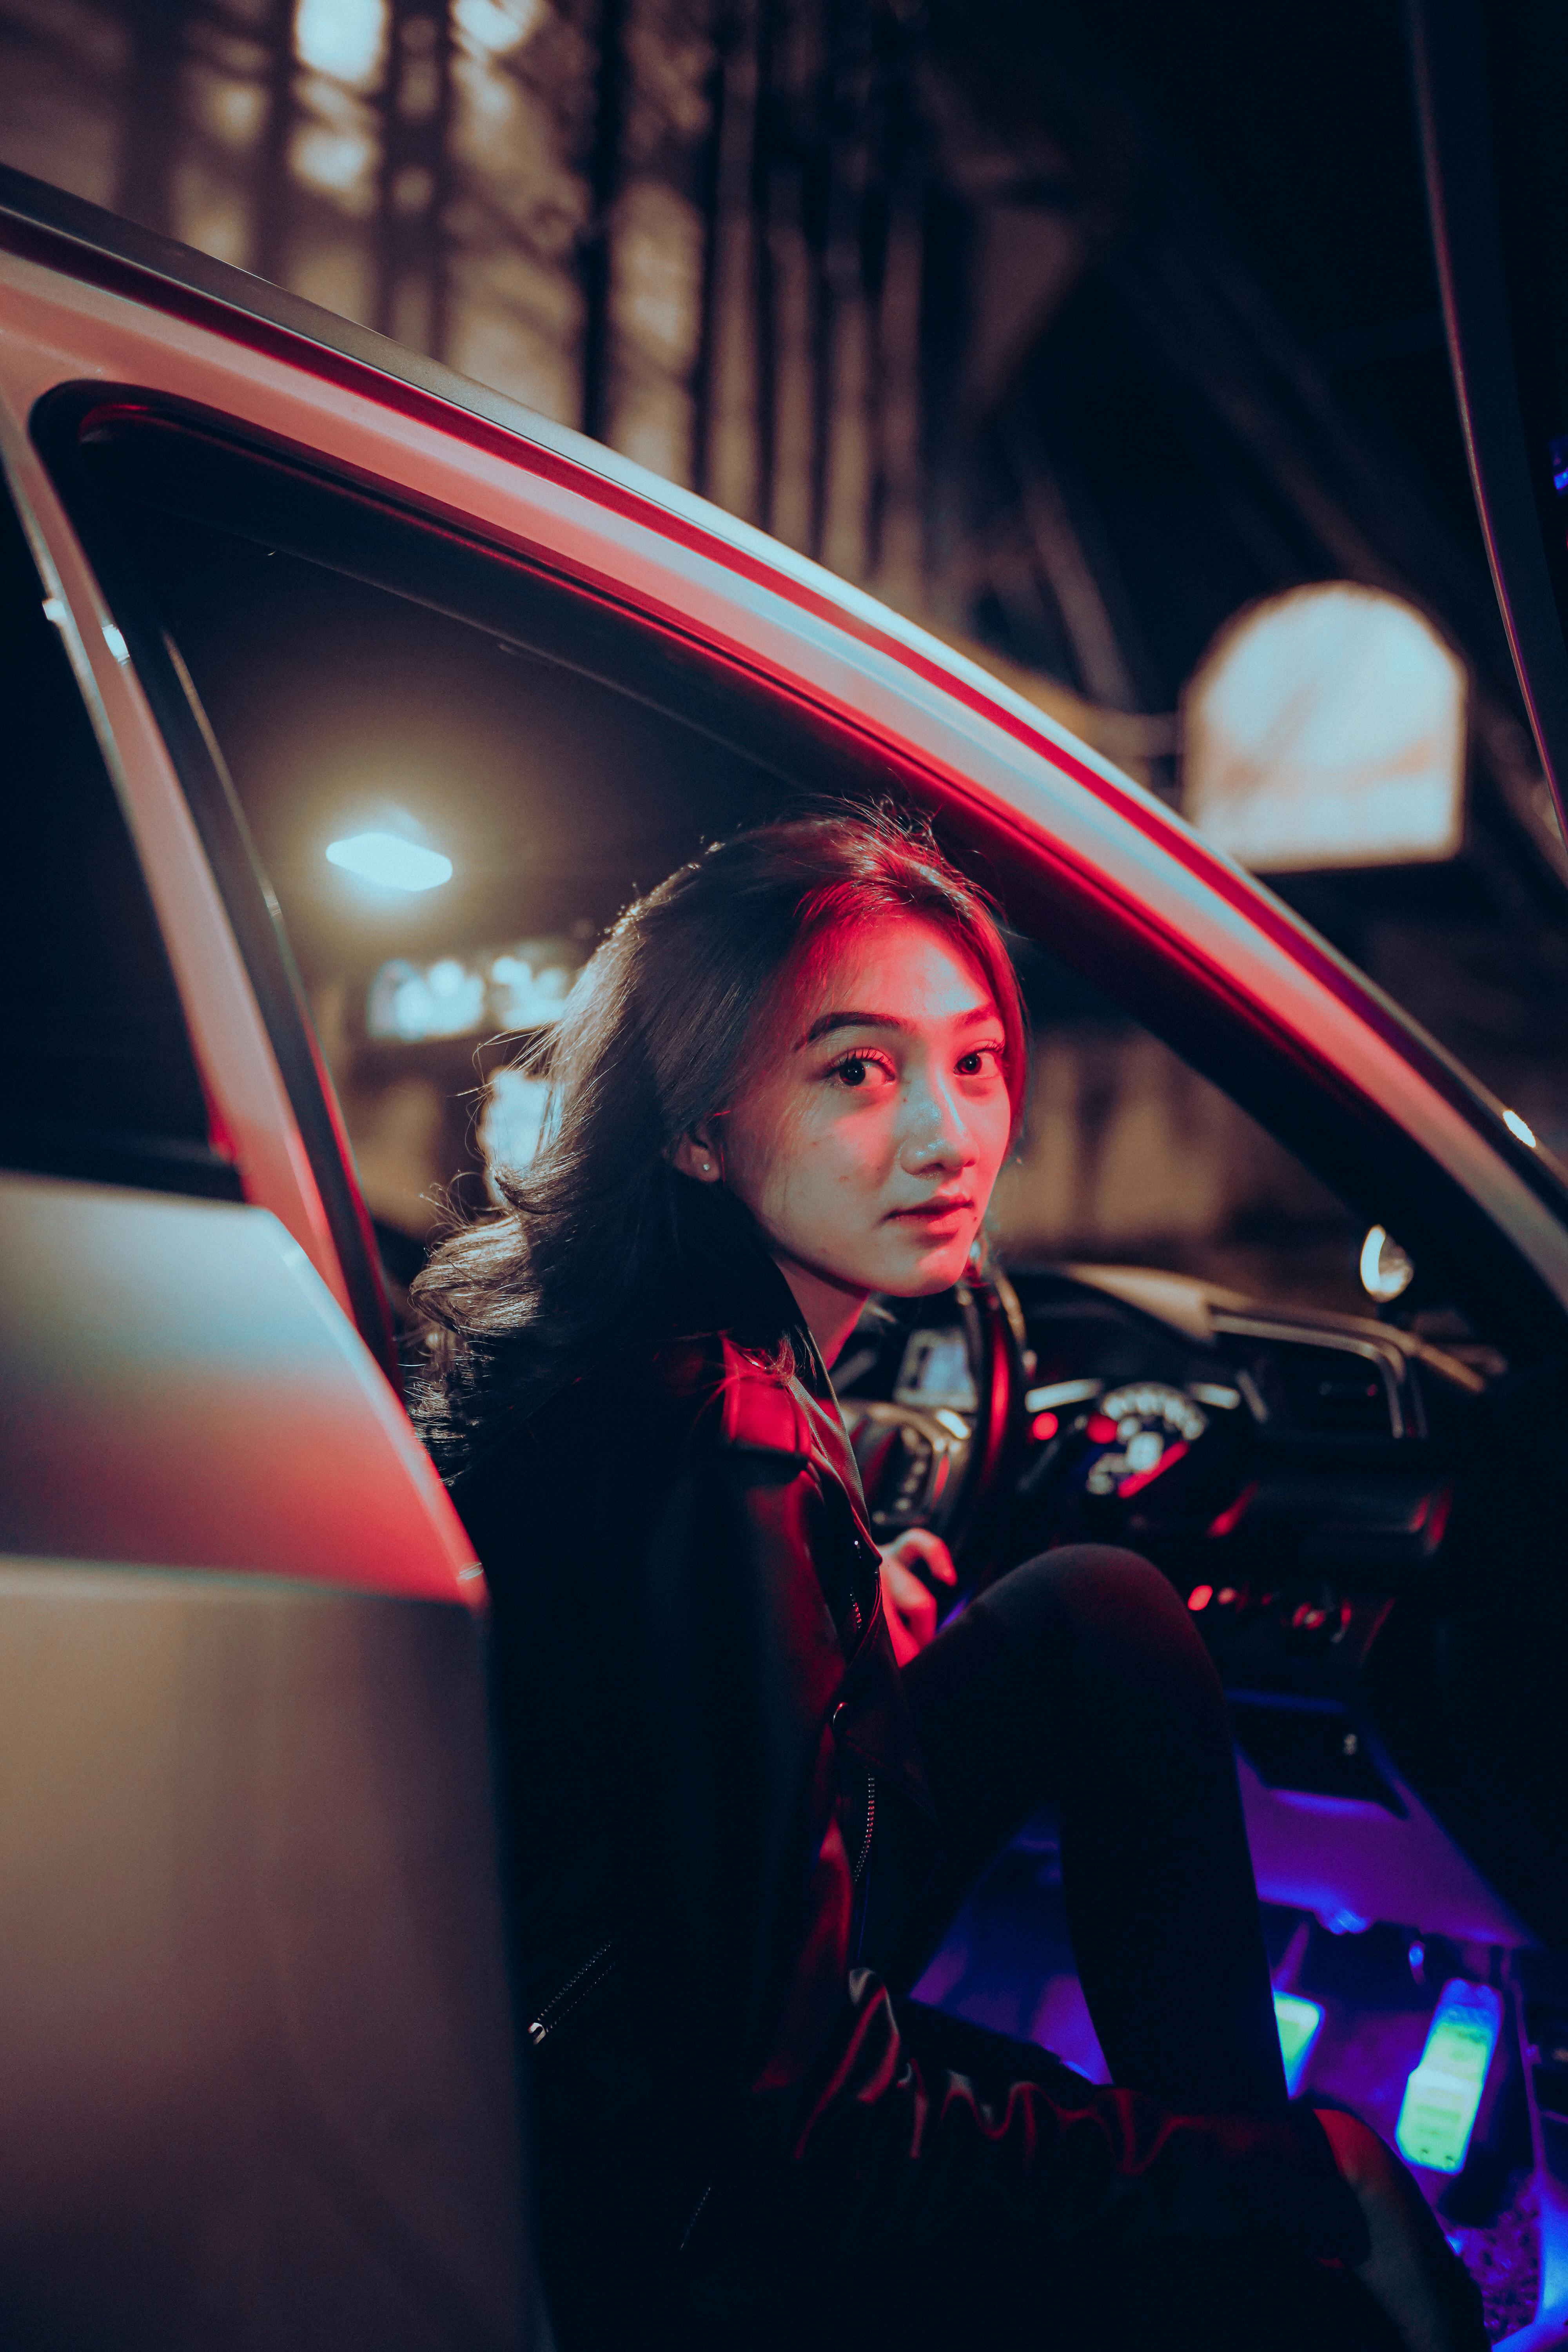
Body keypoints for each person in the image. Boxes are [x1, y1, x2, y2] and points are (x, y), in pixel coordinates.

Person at [413, 808, 1484, 2352]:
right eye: (855, 1069)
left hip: (581, 2072)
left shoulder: (638, 1367)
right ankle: (1287, 2285)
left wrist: (840, 1651)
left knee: (1088, 1608)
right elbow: (807, 2142)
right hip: (680, 2220)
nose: (947, 1133)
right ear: (695, 1125)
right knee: (1281, 2229)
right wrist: (1298, 2173)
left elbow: (663, 1778)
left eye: (972, 1060)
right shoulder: (733, 1440)